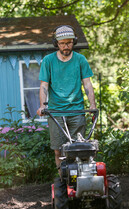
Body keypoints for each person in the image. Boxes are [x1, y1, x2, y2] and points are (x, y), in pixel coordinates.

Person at [36, 25, 96, 172]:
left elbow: (87, 83)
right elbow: (44, 85)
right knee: (59, 150)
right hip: (56, 112)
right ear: (56, 43)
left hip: (77, 111)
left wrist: (92, 105)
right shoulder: (48, 61)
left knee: (80, 148)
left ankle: (81, 178)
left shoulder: (80, 60)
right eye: (62, 43)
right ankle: (63, 178)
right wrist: (43, 106)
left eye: (69, 42)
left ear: (73, 42)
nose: (66, 46)